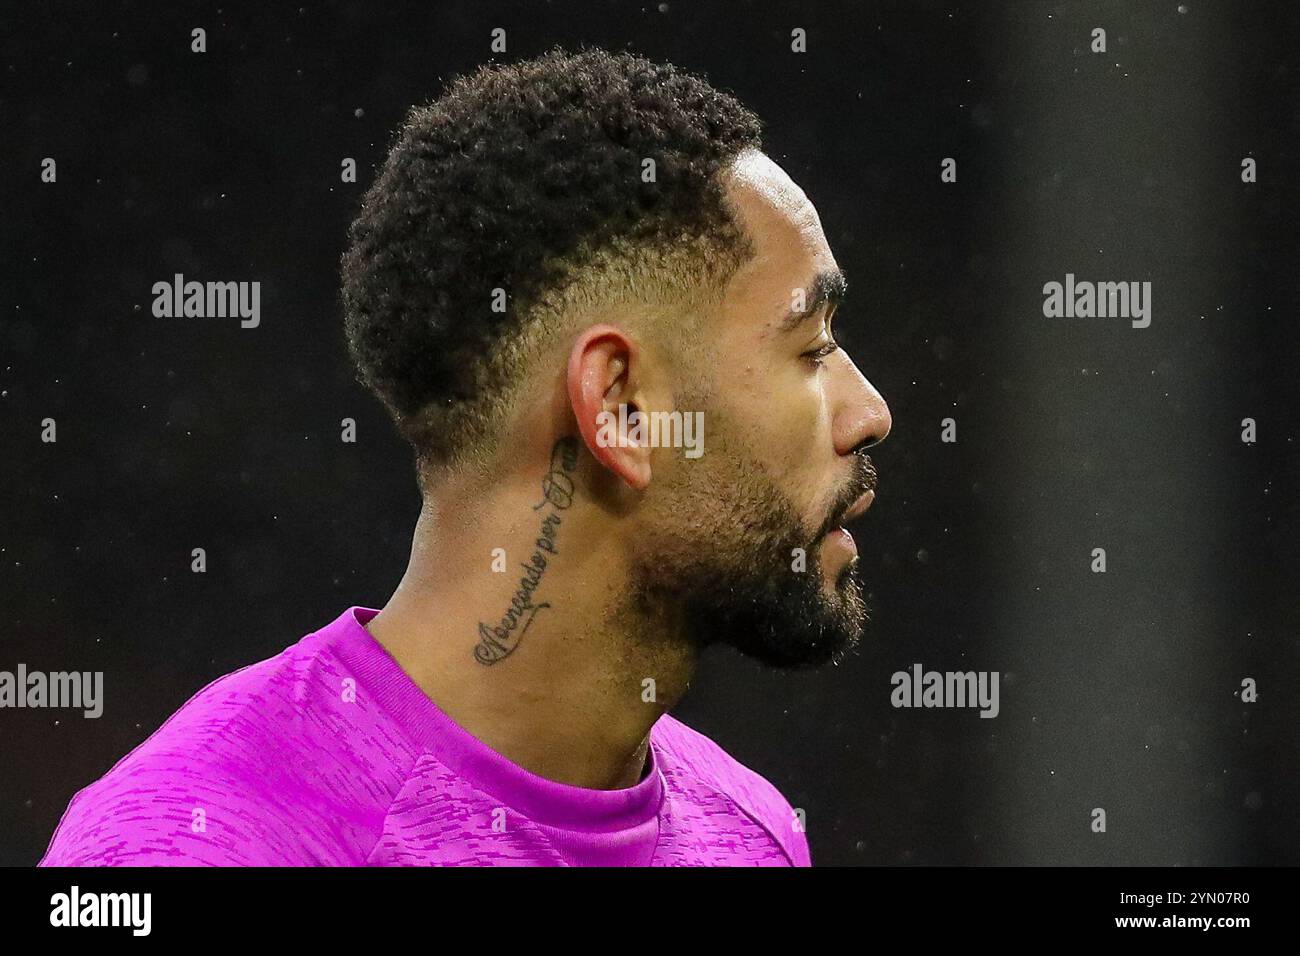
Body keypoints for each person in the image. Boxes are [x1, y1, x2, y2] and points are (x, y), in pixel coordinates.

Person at [42, 46, 890, 867]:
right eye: (811, 347)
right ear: (621, 409)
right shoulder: (204, 840)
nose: (869, 414)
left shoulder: (754, 832)